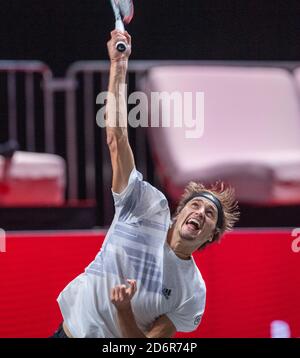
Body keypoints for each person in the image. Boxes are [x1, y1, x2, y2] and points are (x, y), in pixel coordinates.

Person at [53, 30, 239, 338]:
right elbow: (116, 138)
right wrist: (118, 64)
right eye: (196, 204)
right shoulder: (145, 207)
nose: (201, 213)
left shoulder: (192, 292)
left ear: (211, 235)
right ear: (178, 214)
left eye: (210, 214)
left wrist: (124, 311)